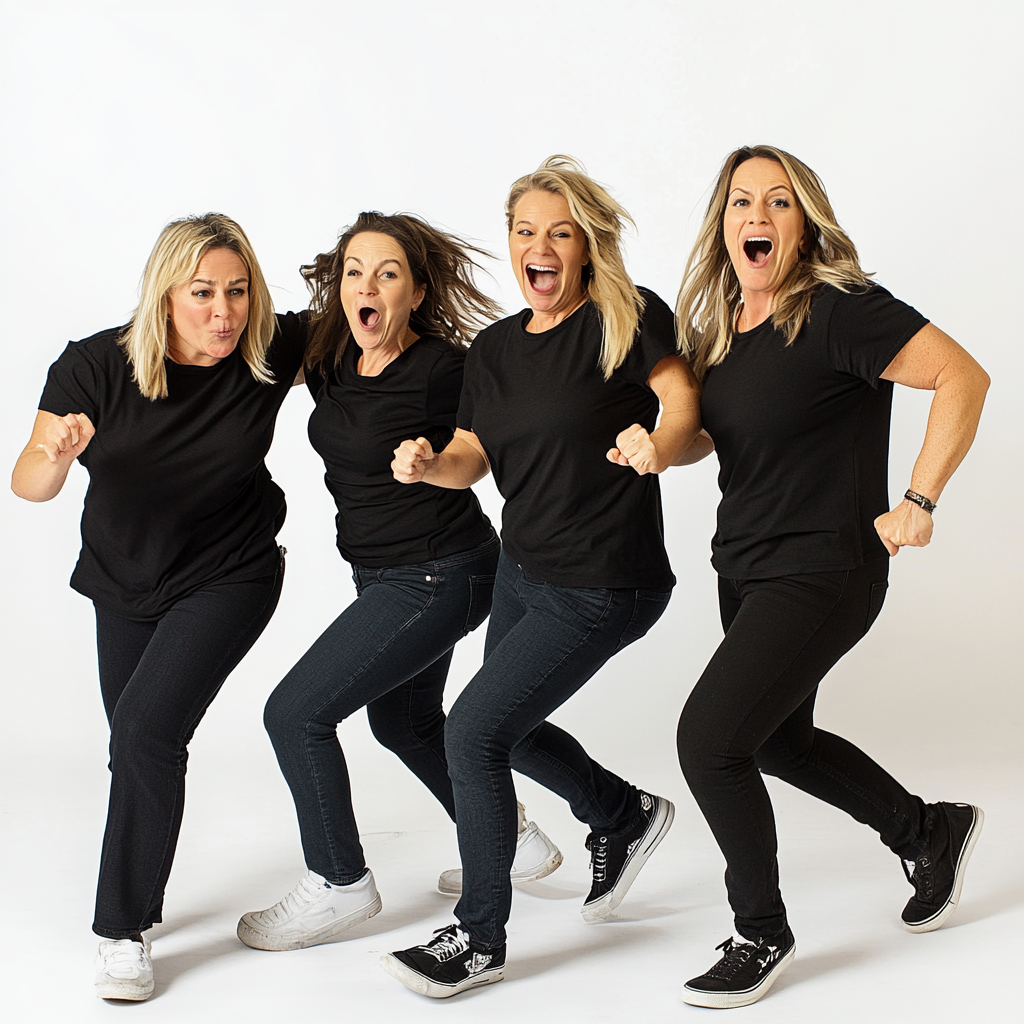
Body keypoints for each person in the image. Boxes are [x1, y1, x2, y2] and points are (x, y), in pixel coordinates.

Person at [673, 145, 990, 1008]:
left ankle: (760, 933)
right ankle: (928, 830)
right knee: (776, 740)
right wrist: (652, 440)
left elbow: (963, 376)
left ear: (804, 221)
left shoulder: (840, 310)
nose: (758, 218)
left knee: (708, 741)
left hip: (825, 568)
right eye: (743, 203)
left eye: (779, 203)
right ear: (723, 223)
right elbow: (713, 436)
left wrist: (920, 495)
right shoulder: (723, 330)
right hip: (744, 569)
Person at [382, 156, 703, 998]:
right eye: (527, 230)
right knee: (506, 728)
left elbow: (683, 405)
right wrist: (428, 464)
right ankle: (622, 815)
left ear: (587, 246)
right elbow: (473, 459)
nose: (541, 245)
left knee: (470, 733)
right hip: (525, 574)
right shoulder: (493, 350)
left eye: (560, 231)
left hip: (606, 580)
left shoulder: (627, 320)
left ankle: (480, 937)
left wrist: (656, 447)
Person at [236, 212, 562, 953]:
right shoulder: (329, 355)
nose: (368, 286)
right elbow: (242, 337)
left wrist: (433, 461)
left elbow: (486, 451)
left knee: (294, 715)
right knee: (403, 722)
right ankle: (512, 840)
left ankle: (339, 881)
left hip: (439, 573)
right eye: (355, 272)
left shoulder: (445, 369)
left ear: (416, 291)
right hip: (383, 574)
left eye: (388, 273)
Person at [11, 214, 308, 1001]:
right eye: (203, 292)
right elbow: (28, 484)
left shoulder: (270, 351)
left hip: (232, 572)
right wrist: (56, 451)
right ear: (164, 294)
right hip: (125, 581)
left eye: (239, 292)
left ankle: (120, 933)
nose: (225, 312)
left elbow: (369, 323)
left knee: (145, 731)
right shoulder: (94, 368)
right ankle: (141, 897)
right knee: (138, 742)